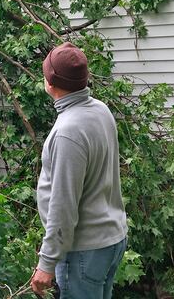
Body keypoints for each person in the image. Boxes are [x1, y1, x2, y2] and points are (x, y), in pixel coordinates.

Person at [31, 42, 128, 298]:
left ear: (50, 83)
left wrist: (46, 263)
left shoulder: (68, 132)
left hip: (85, 251)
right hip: (109, 240)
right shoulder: (100, 110)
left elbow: (63, 204)